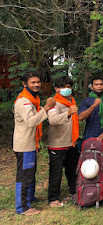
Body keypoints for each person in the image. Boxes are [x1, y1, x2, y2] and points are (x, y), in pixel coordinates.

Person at [13, 71, 56, 215]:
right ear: (24, 84)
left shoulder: (32, 99)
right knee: (24, 175)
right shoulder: (24, 101)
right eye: (33, 82)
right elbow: (32, 122)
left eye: (38, 82)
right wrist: (46, 108)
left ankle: (29, 198)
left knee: (30, 173)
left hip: (30, 143)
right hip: (24, 145)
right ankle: (23, 207)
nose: (37, 84)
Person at [47, 76, 80, 207]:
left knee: (72, 170)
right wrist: (67, 114)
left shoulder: (72, 100)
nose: (67, 89)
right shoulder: (53, 102)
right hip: (57, 144)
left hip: (71, 142)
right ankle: (53, 198)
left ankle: (74, 192)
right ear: (56, 89)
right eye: (63, 87)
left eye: (68, 86)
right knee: (56, 172)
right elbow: (52, 120)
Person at [78, 75, 103, 181]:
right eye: (96, 84)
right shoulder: (87, 101)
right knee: (90, 162)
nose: (99, 87)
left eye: (101, 84)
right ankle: (90, 185)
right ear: (91, 87)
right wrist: (93, 106)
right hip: (90, 137)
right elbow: (81, 117)